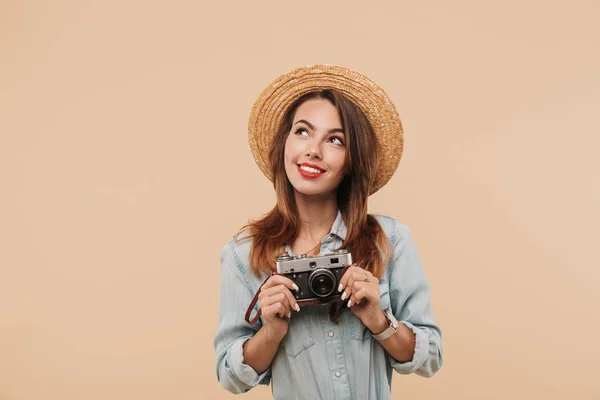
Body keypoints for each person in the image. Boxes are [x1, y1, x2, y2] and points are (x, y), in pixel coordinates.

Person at [214, 65, 443, 399]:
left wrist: (377, 319)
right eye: (303, 132)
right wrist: (272, 329)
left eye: (335, 140)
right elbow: (230, 377)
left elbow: (430, 358)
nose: (313, 150)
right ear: (284, 144)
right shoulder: (244, 253)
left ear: (352, 161)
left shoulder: (389, 241)